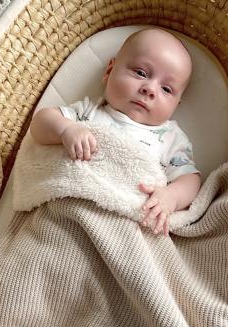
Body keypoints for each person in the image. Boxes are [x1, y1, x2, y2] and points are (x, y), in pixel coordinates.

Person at [30, 27, 201, 236]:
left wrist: (171, 197)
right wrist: (66, 129)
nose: (150, 89)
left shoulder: (169, 138)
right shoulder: (89, 112)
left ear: (177, 104)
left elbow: (191, 179)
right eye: (141, 73)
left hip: (125, 227)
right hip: (68, 212)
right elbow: (40, 124)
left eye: (166, 89)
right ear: (109, 71)